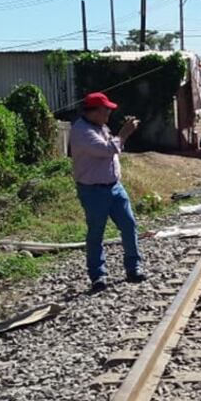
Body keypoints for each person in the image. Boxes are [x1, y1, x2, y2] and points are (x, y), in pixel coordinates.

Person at [68, 92, 146, 292]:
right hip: (93, 191)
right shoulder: (81, 131)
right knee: (96, 233)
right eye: (106, 110)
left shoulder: (101, 127)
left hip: (114, 186)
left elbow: (112, 149)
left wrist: (119, 136)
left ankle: (133, 266)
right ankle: (98, 275)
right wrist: (124, 133)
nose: (109, 113)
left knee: (129, 225)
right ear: (93, 111)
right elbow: (105, 149)